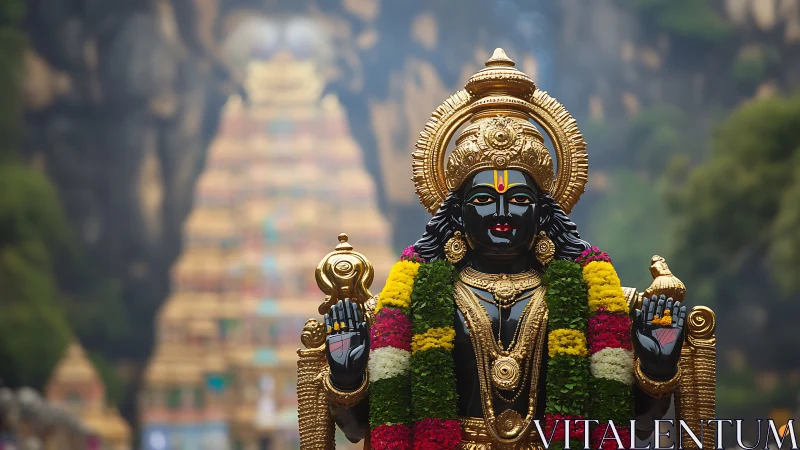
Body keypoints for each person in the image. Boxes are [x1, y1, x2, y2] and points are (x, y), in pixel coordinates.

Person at [302, 48, 714, 450]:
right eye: (484, 199)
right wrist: (345, 376)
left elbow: (634, 425)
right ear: (457, 212)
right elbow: (360, 428)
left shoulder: (594, 302)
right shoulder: (411, 304)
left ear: (543, 211)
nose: (502, 212)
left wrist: (657, 368)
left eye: (518, 199)